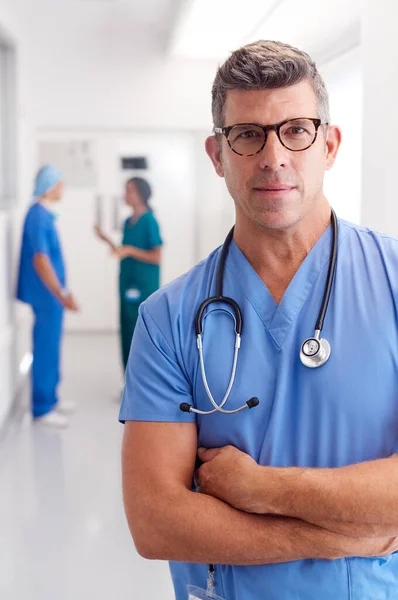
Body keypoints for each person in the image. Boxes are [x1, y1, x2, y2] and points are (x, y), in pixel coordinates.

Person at [119, 40, 398, 600]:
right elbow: (156, 522)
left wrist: (263, 488)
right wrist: (336, 537)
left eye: (297, 129)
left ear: (331, 144)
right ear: (217, 155)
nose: (274, 156)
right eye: (247, 135)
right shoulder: (168, 319)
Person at [17, 164, 79, 428]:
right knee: (45, 347)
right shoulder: (39, 216)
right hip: (46, 295)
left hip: (50, 295)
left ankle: (51, 399)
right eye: (60, 184)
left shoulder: (43, 214)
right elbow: (41, 260)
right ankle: (42, 407)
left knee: (51, 347)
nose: (62, 189)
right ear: (50, 186)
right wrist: (61, 292)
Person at [95, 177, 163, 370]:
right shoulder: (128, 222)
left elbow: (156, 256)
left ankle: (144, 383)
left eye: (129, 190)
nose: (125, 194)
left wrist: (131, 251)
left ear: (140, 194)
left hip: (143, 287)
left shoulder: (149, 220)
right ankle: (129, 380)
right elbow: (122, 250)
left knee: (140, 332)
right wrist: (106, 240)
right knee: (126, 331)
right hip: (127, 284)